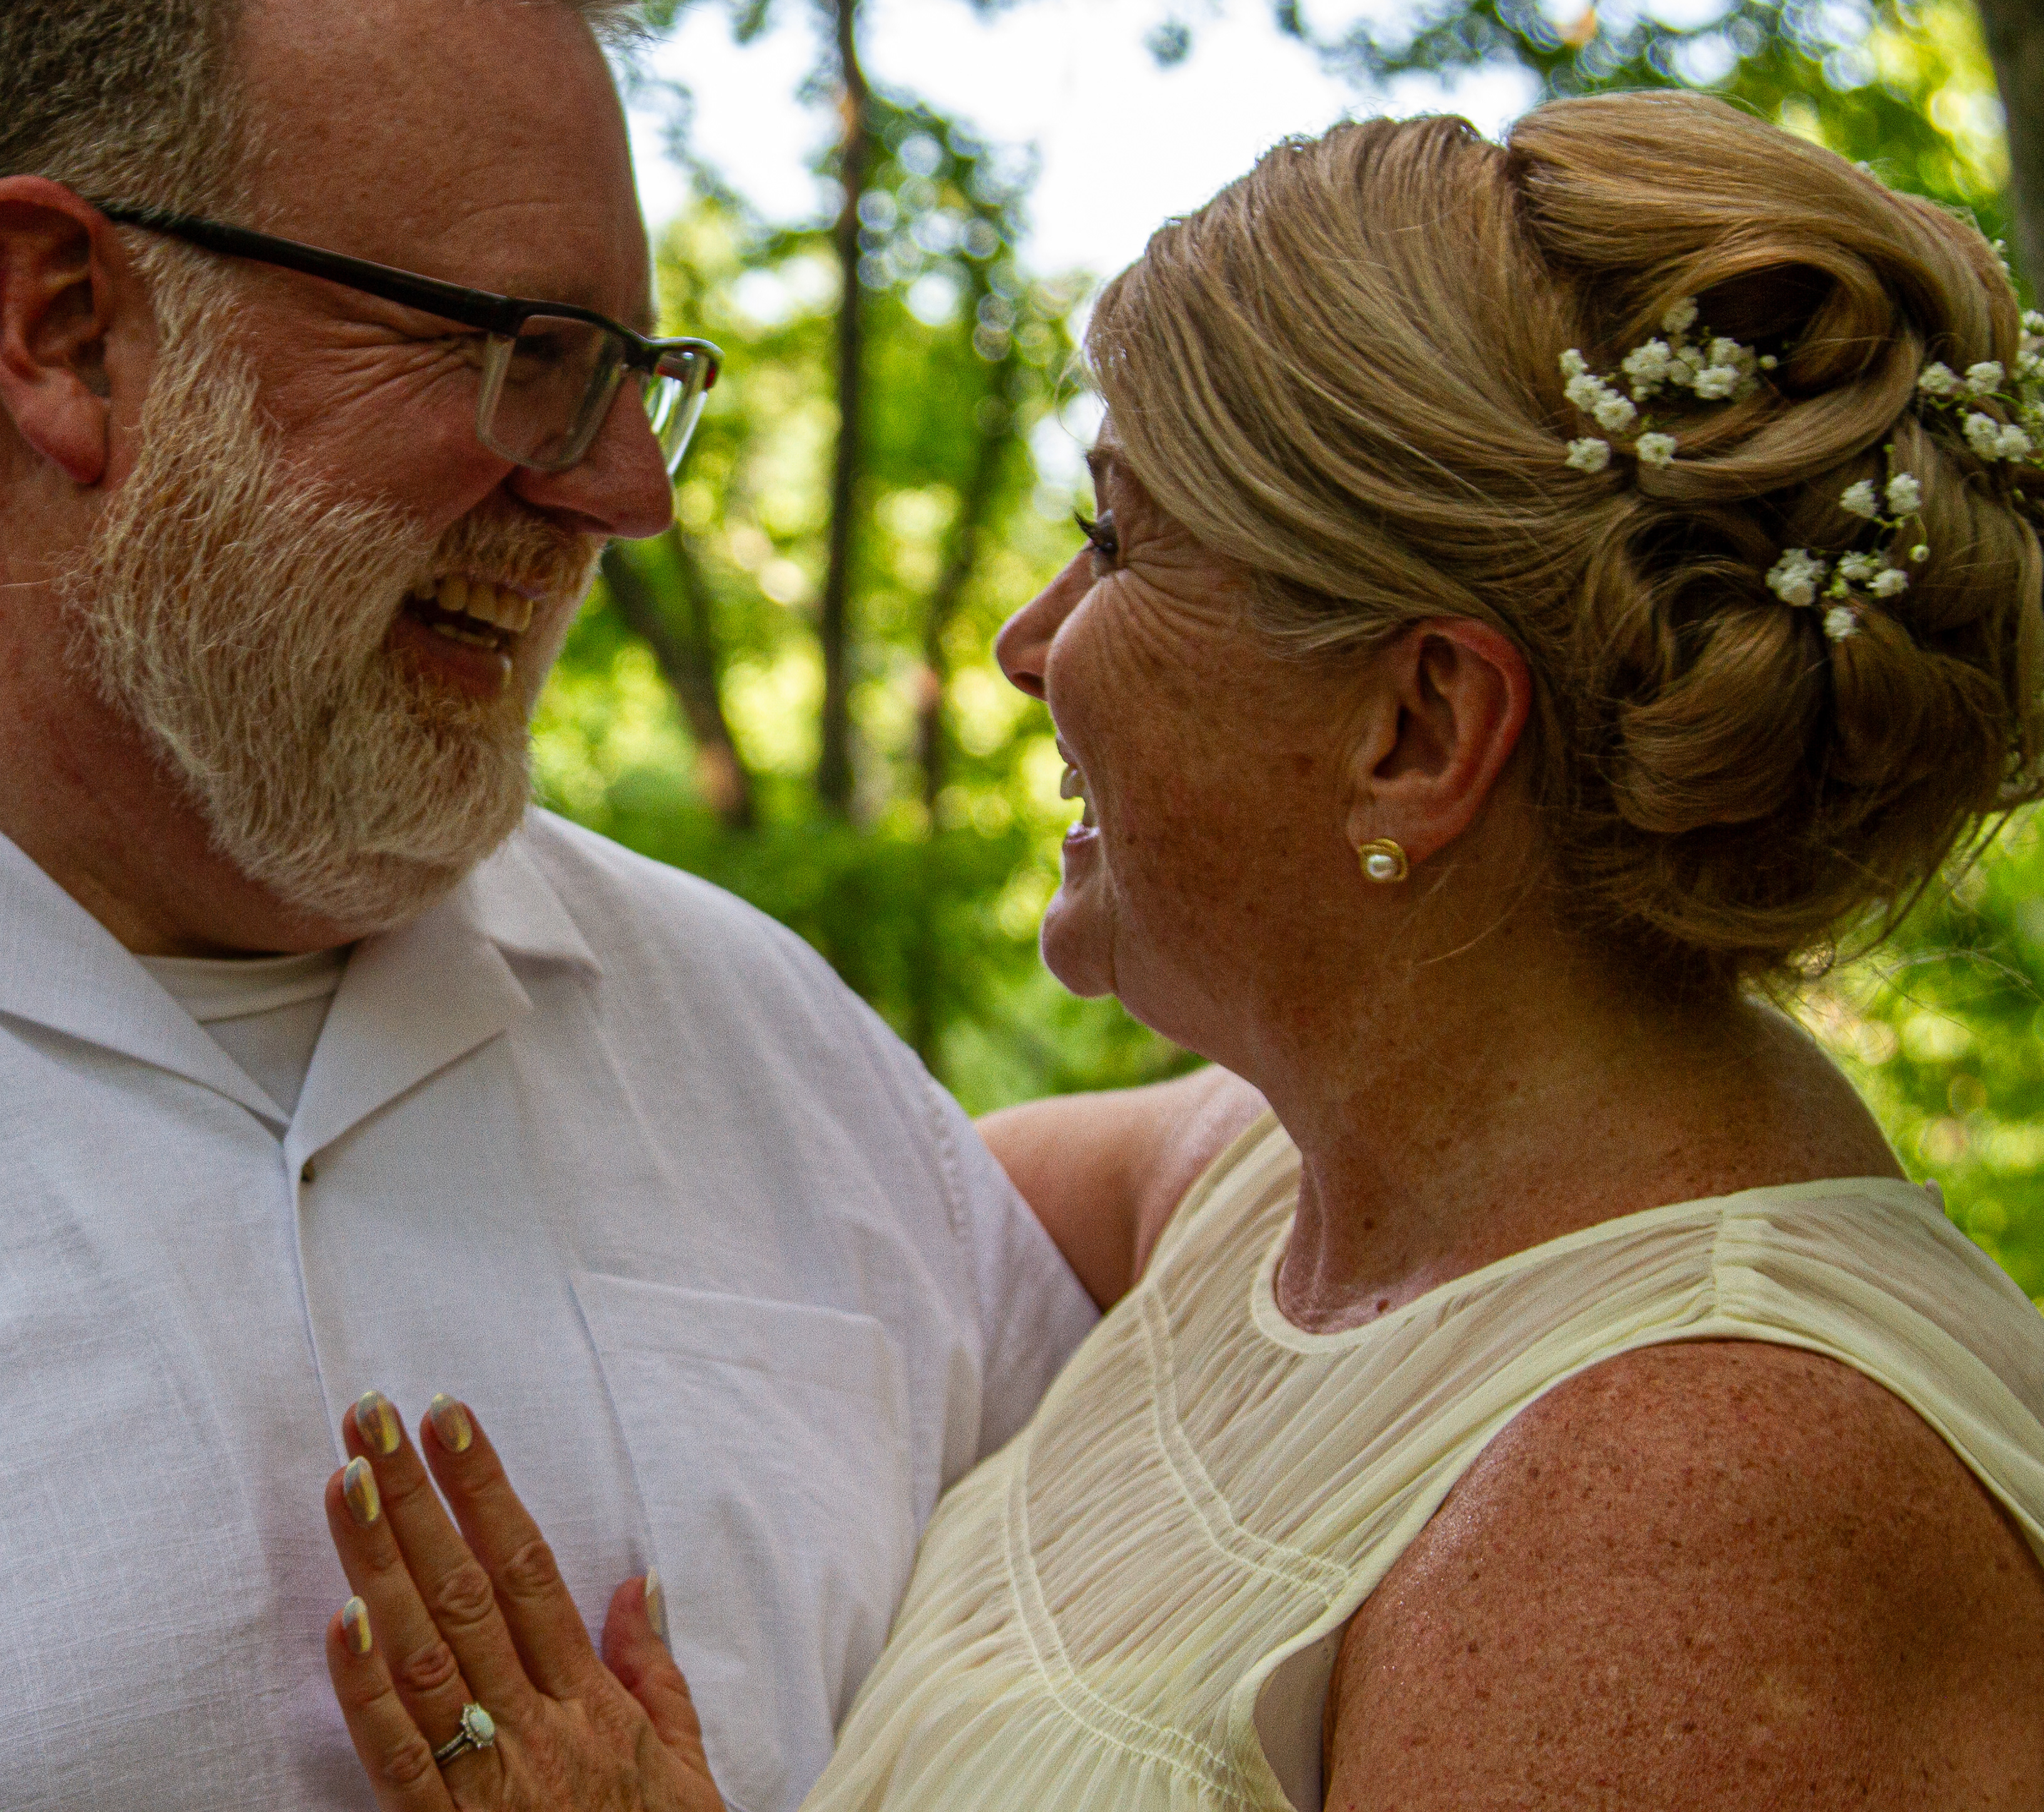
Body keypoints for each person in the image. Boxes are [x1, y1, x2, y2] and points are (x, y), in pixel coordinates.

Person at [0, 0, 1157, 1811]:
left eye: (637, 378)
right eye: (528, 356)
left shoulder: (764, 1039)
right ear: (64, 324)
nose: (624, 496)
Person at [307, 94, 2044, 1810]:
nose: (1025, 640)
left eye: (1122, 540)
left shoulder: (1695, 1511)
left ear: (1420, 729)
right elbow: (819, 1216)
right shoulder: (1272, 1181)